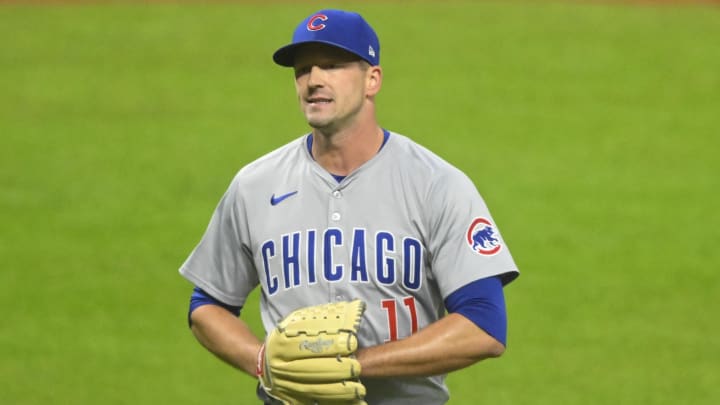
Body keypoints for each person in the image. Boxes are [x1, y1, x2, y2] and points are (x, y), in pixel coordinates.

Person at [180, 9, 520, 404]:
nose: (314, 80)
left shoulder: (436, 185)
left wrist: (356, 363)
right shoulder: (255, 186)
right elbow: (207, 305)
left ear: (372, 79)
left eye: (333, 65)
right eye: (303, 70)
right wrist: (262, 362)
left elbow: (483, 325)